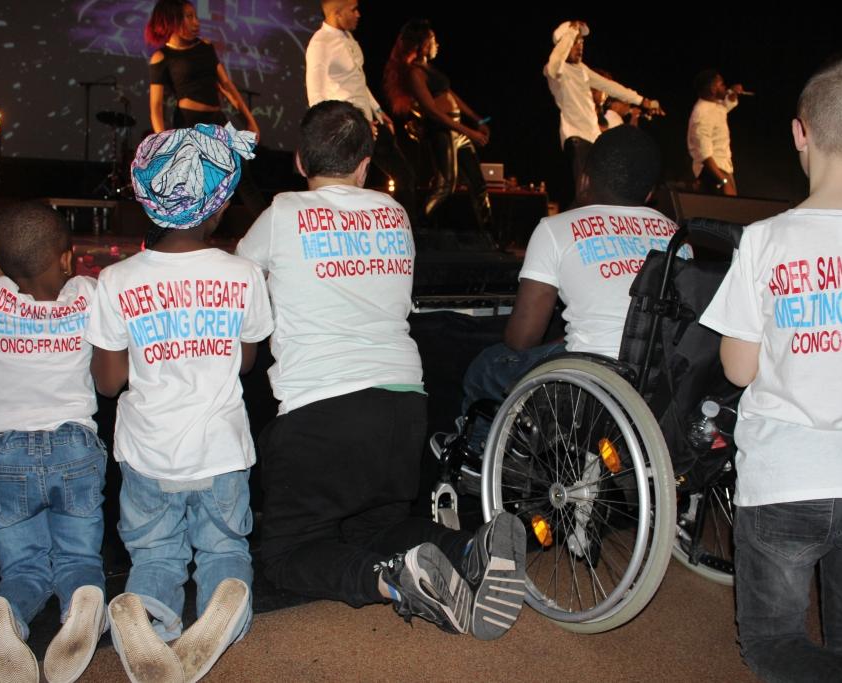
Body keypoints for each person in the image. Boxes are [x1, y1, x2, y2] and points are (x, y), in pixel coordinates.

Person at [235, 100, 526, 641]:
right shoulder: (394, 215)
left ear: (300, 160)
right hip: (402, 404)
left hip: (322, 410)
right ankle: (468, 547)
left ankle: (392, 580)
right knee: (382, 525)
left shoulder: (281, 213)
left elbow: (239, 281)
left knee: (284, 553)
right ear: (367, 165)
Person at [699, 53, 842, 681]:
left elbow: (740, 368)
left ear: (800, 132)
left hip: (786, 478)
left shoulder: (767, 239)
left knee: (774, 647)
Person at [85, 123, 273, 683]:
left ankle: (146, 611)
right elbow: (245, 362)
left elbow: (108, 384)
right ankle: (224, 608)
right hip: (220, 451)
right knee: (223, 550)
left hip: (148, 454)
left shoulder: (114, 281)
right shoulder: (243, 274)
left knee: (156, 555)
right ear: (217, 209)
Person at [0, 202, 107, 683]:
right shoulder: (87, 294)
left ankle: (5, 610)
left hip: (7, 455)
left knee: (24, 566)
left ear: (1, 267)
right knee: (79, 558)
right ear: (66, 260)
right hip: (74, 450)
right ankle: (83, 602)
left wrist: (4, 274)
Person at [460, 125, 687, 417]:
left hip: (588, 378)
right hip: (658, 380)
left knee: (488, 366)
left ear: (584, 181)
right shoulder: (676, 237)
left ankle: (476, 455)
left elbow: (522, 339)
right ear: (650, 192)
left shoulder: (555, 229)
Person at [145, 0, 265, 216]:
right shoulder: (163, 57)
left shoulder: (206, 47)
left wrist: (251, 121)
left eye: (195, 16)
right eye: (188, 17)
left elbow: (227, 86)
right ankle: (181, 239)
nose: (196, 22)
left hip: (217, 120)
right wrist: (163, 143)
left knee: (242, 172)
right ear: (171, 20)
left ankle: (268, 228)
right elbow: (156, 106)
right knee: (194, 185)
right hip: (189, 123)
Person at [305, 0, 418, 223]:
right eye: (353, 10)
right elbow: (315, 90)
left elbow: (357, 80)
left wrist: (377, 110)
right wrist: (323, 129)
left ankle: (405, 231)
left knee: (405, 176)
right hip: (344, 127)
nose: (359, 14)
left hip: (367, 122)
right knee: (347, 186)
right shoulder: (321, 42)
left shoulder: (348, 38)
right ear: (337, 13)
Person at [384, 19, 494, 236]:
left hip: (457, 131)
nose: (437, 44)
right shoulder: (415, 73)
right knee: (445, 186)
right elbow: (432, 111)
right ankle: (415, 229)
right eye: (433, 40)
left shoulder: (428, 68)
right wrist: (470, 131)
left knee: (478, 184)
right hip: (442, 132)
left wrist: (477, 120)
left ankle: (491, 236)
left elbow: (451, 95)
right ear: (423, 43)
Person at [545, 20, 662, 208]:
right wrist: (569, 35)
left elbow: (611, 87)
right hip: (576, 139)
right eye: (575, 42)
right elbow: (553, 65)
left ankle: (588, 225)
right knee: (585, 192)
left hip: (593, 139)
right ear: (563, 44)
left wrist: (642, 101)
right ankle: (571, 230)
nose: (580, 47)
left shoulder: (582, 71)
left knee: (598, 190)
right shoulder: (557, 73)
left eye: (582, 43)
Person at [687, 69, 744, 196]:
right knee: (725, 212)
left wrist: (733, 94)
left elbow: (724, 107)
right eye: (722, 84)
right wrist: (723, 181)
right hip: (712, 173)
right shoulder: (702, 114)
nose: (725, 87)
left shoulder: (714, 105)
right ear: (713, 89)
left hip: (722, 168)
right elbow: (705, 154)